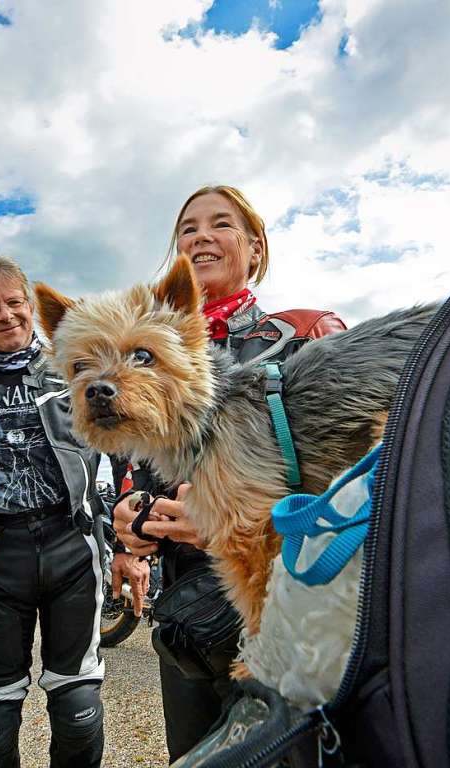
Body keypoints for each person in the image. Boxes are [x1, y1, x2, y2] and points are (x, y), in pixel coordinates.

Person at [110, 185, 346, 761]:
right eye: (188, 228)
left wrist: (229, 512)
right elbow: (135, 469)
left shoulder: (303, 336)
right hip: (187, 610)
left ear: (254, 248)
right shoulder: (144, 357)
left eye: (221, 224)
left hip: (286, 600)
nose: (201, 236)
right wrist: (131, 517)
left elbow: (359, 476)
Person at [0, 256, 106, 768]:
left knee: (79, 709)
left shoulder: (78, 370)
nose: (5, 315)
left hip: (72, 547)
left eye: (14, 302)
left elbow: (123, 452)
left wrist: (128, 543)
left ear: (30, 306)